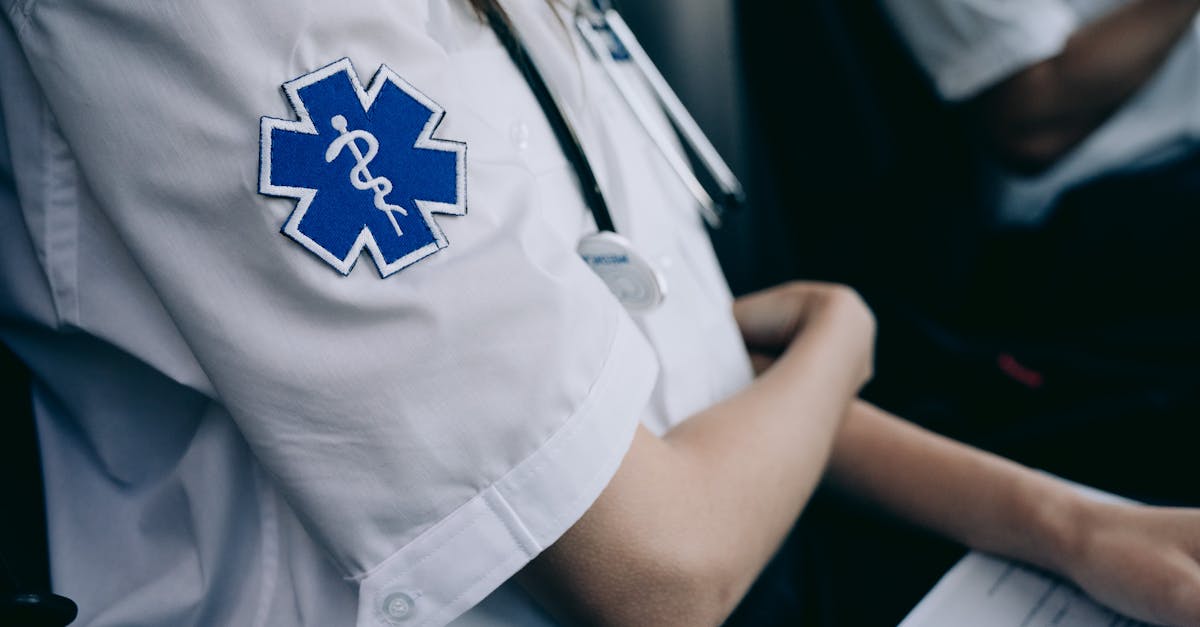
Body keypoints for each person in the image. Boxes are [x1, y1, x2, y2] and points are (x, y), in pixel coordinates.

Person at [0, 1, 1198, 626]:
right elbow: (660, 570)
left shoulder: (539, 13)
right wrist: (839, 338)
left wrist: (1076, 528)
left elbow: (693, 397)